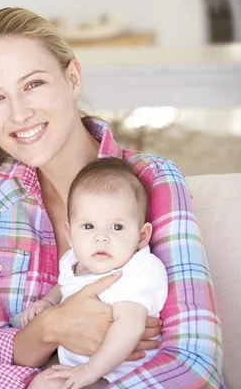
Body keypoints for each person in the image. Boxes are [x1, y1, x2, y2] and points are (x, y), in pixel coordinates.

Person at [0, 7, 223, 388]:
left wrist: (51, 362)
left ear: (72, 77)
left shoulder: (153, 180)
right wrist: (51, 328)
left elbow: (197, 363)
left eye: (33, 84)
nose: (19, 113)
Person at [16, 157, 168, 389]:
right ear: (70, 234)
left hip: (120, 374)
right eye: (88, 226)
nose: (101, 237)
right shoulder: (73, 261)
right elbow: (64, 286)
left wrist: (89, 371)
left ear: (141, 236)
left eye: (116, 227)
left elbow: (130, 326)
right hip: (79, 368)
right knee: (43, 383)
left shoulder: (138, 269)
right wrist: (48, 302)